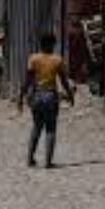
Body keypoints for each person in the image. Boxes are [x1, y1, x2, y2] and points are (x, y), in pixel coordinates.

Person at [18, 33, 74, 169]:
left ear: (41, 44)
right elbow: (63, 81)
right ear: (52, 44)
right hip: (51, 97)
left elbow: (28, 80)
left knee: (36, 127)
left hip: (37, 96)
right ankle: (48, 162)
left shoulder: (33, 59)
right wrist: (70, 95)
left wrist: (21, 97)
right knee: (51, 128)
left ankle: (30, 159)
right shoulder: (57, 60)